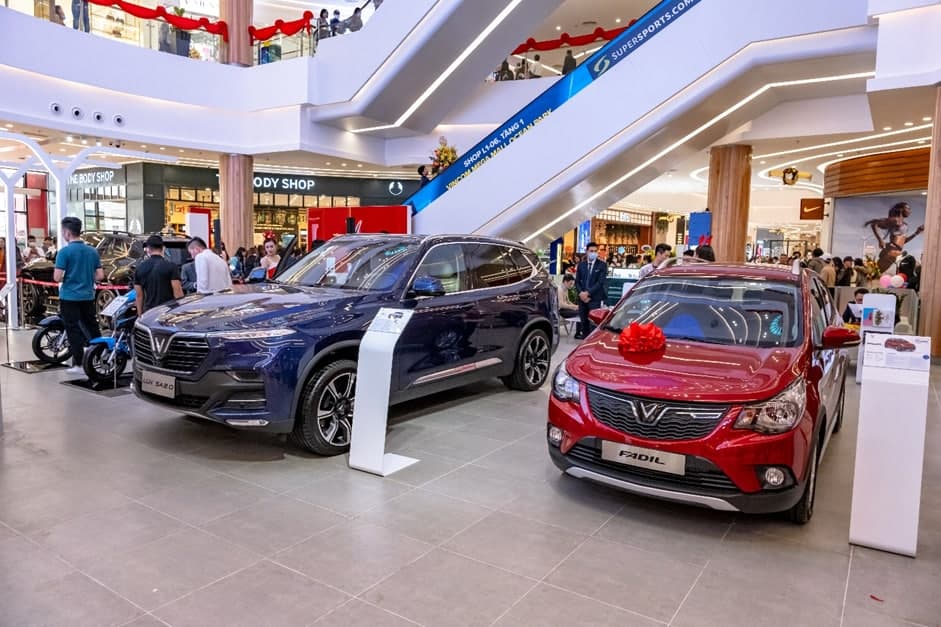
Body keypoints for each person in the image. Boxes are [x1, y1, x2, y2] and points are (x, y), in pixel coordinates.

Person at [54, 217, 102, 374]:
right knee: (92, 326)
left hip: (69, 297)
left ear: (67, 233)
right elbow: (100, 275)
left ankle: (79, 364)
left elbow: (57, 277)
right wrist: (86, 277)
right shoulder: (92, 251)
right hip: (87, 296)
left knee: (73, 329)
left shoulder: (64, 252)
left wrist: (69, 277)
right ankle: (100, 357)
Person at [864, 201, 924, 272]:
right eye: (908, 208)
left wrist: (916, 233)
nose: (910, 211)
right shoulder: (895, 220)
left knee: (876, 272)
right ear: (901, 209)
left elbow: (904, 241)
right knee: (875, 273)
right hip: (891, 251)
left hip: (896, 252)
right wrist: (880, 240)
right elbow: (874, 224)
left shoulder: (905, 225)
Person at [134, 235, 183, 314]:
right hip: (168, 310)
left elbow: (139, 296)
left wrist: (140, 315)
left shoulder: (139, 268)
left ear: (148, 249)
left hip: (149, 312)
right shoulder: (171, 266)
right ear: (163, 248)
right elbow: (178, 293)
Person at [574, 242, 607, 340]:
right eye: (591, 251)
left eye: (595, 251)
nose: (593, 253)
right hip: (582, 299)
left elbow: (600, 282)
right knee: (583, 323)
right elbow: (577, 282)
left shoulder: (602, 265)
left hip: (594, 299)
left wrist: (588, 293)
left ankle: (592, 343)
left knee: (593, 324)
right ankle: (584, 342)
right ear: (587, 252)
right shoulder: (581, 265)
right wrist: (581, 293)